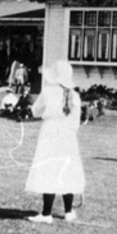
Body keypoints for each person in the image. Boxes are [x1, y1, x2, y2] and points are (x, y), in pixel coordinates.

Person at [25, 60, 85, 223]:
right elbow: (76, 123)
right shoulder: (75, 95)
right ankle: (68, 211)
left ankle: (46, 214)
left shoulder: (48, 92)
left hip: (51, 133)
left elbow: (36, 112)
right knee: (66, 169)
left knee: (49, 169)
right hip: (67, 135)